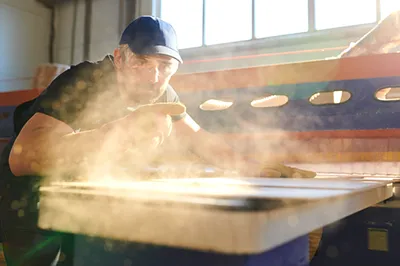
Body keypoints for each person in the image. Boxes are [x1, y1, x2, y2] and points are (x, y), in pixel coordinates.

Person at [0, 15, 312, 266]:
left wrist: (253, 168)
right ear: (120, 57)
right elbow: (25, 157)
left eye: (165, 67)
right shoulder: (84, 81)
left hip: (75, 196)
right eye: (142, 63)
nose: (154, 77)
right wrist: (120, 132)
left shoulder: (160, 90)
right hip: (27, 202)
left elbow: (198, 139)